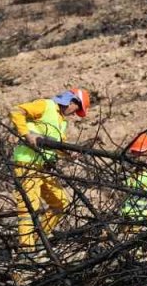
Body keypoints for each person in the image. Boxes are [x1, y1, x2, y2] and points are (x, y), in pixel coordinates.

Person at [10, 88, 90, 251]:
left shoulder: (62, 121)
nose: (75, 114)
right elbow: (16, 111)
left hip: (44, 168)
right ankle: (27, 252)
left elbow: (56, 145)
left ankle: (39, 239)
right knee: (28, 208)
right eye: (77, 109)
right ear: (71, 101)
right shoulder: (45, 105)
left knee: (61, 202)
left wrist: (68, 154)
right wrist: (27, 135)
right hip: (27, 164)